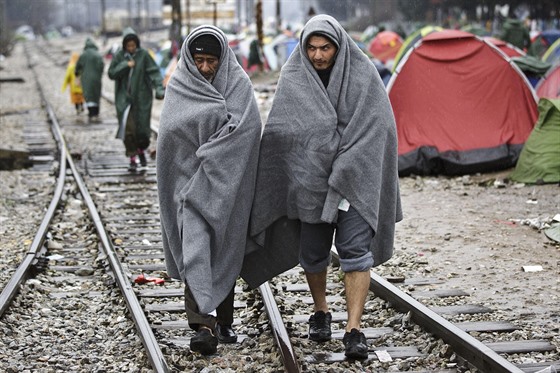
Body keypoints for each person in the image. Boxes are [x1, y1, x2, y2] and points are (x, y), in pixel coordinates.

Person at [242, 15, 402, 360]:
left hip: (355, 180)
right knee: (312, 253)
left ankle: (354, 329)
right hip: (310, 181)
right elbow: (282, 130)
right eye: (311, 47)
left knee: (356, 253)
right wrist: (313, 155)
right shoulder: (294, 75)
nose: (317, 55)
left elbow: (378, 127)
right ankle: (321, 310)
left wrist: (345, 162)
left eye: (325, 47)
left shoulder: (362, 75)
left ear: (338, 46)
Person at [156, 25, 262, 356]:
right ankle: (203, 324)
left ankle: (224, 319)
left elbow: (249, 127)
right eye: (199, 60)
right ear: (189, 59)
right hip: (188, 188)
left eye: (211, 61)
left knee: (226, 246)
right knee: (197, 247)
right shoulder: (180, 87)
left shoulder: (238, 85)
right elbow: (170, 135)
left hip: (228, 183)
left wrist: (215, 154)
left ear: (222, 59)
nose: (204, 68)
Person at [108, 27, 164, 171]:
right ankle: (132, 157)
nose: (131, 48)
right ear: (125, 45)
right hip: (124, 101)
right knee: (128, 130)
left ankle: (141, 151)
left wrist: (159, 88)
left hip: (142, 99)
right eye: (128, 46)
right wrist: (125, 65)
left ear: (137, 44)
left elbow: (154, 72)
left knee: (142, 131)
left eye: (133, 45)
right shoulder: (120, 56)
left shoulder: (143, 55)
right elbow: (111, 73)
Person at [75, 37, 104, 122]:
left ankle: (91, 113)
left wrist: (77, 74)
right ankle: (96, 112)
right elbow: (101, 65)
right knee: (96, 94)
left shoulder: (83, 55)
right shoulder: (97, 54)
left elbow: (78, 66)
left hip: (86, 78)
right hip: (96, 78)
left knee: (88, 94)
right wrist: (99, 74)